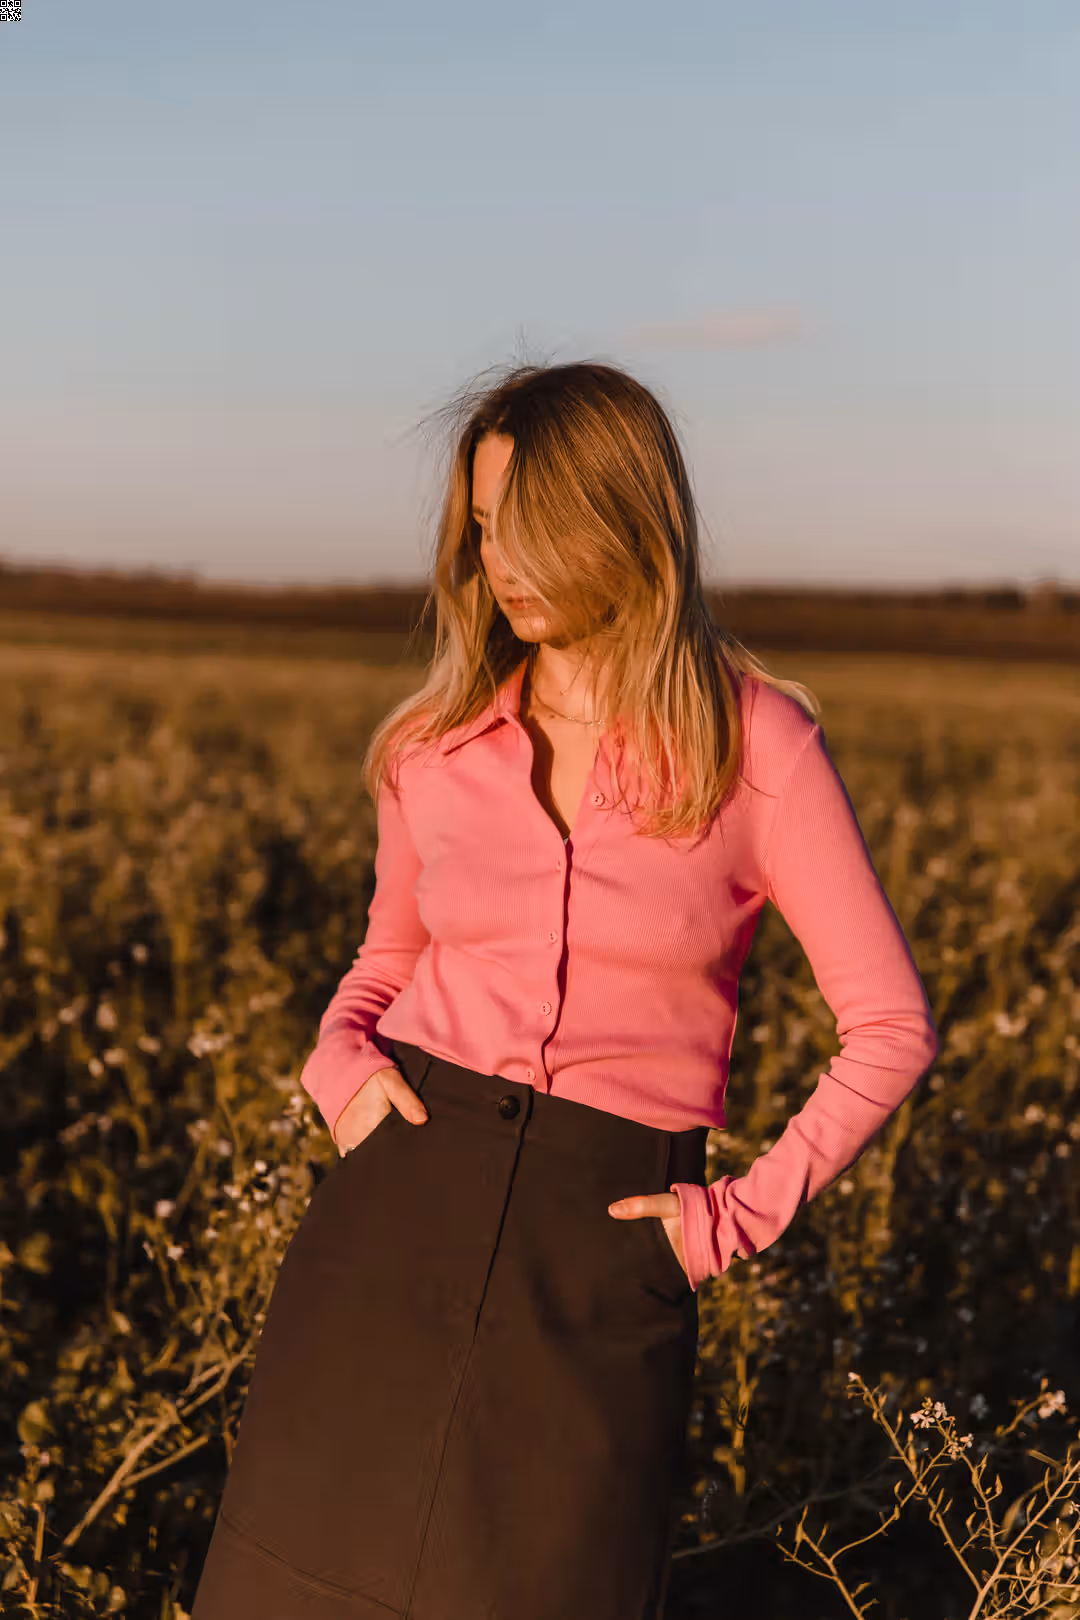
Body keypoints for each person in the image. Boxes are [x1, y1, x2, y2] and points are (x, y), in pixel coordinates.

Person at [192, 359, 939, 1620]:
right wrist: (340, 1069)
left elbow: (892, 1029)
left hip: (603, 1248)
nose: (499, 562)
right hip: (397, 1203)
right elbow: (384, 963)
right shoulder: (430, 748)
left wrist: (727, 1223)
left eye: (528, 526)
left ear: (623, 518)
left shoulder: (756, 743)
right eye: (483, 528)